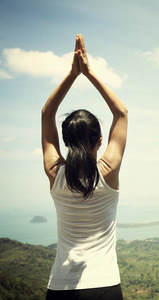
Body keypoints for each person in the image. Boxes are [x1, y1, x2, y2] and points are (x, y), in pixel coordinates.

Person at [41, 34, 128, 300]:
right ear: (100, 141)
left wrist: (72, 74)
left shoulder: (56, 173)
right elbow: (121, 113)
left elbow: (47, 114)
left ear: (64, 141)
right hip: (105, 286)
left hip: (61, 288)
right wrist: (87, 72)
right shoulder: (107, 171)